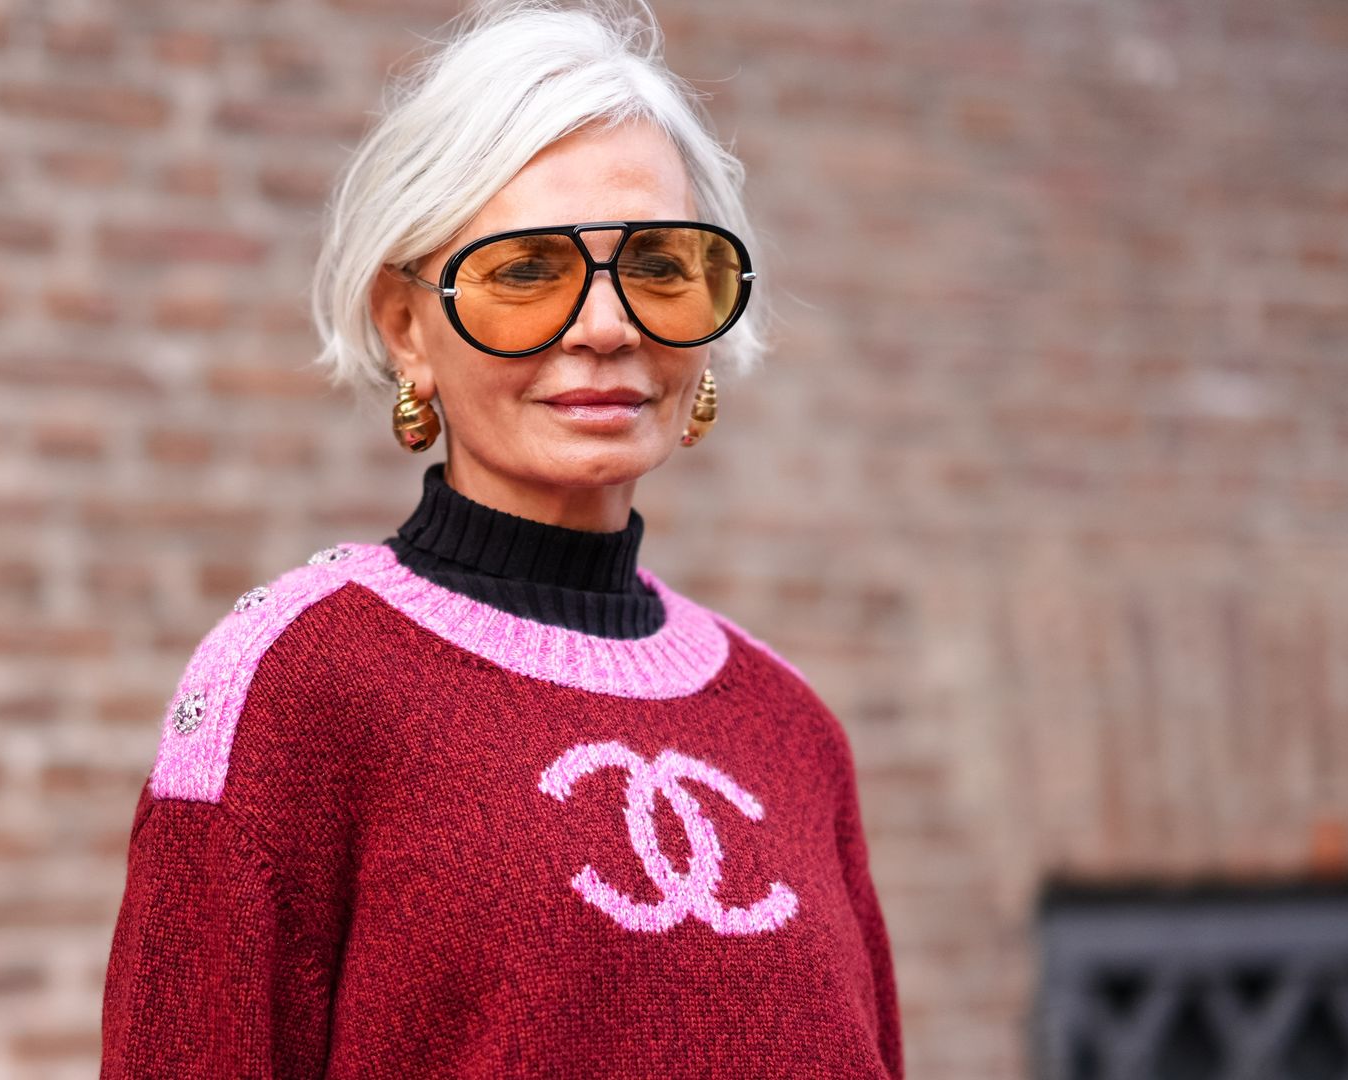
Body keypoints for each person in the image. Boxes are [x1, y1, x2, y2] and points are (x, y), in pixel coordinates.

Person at [98, 1, 903, 1075]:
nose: (607, 326)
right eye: (526, 272)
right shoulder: (296, 685)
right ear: (404, 326)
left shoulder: (792, 728)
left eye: (662, 267)